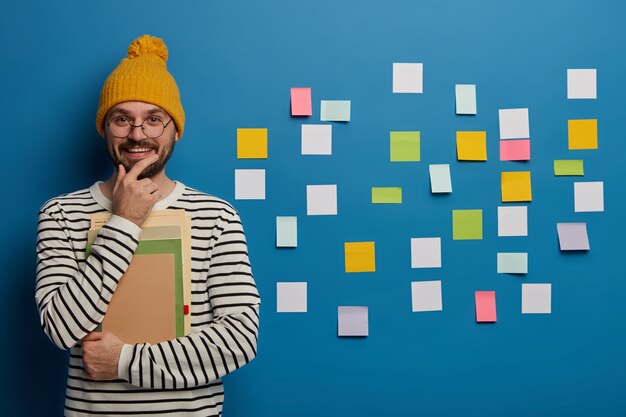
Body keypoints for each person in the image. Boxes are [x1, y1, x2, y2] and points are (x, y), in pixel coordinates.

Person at [35, 34, 260, 416]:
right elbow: (61, 328)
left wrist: (123, 361)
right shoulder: (61, 214)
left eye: (154, 120)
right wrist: (124, 220)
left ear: (175, 130)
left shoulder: (216, 215)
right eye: (122, 119)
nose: (138, 134)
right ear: (104, 128)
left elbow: (238, 340)